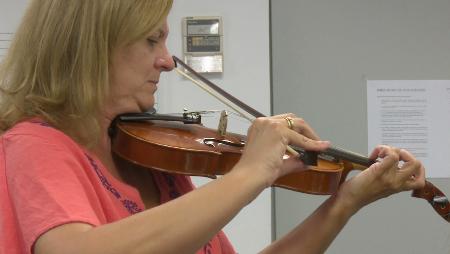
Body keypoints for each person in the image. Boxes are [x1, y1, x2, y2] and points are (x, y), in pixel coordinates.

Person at [0, 1, 425, 254]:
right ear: (90, 47)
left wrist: (344, 203)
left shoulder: (153, 164)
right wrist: (250, 173)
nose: (167, 60)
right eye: (152, 40)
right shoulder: (35, 145)